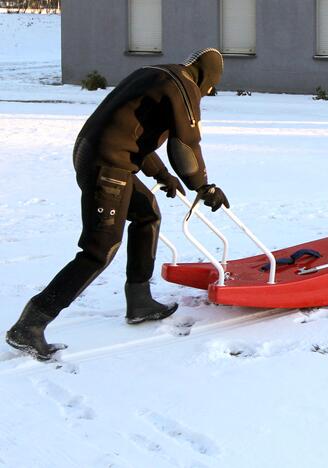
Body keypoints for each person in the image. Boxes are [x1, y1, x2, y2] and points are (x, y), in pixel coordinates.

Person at [5, 48, 231, 361]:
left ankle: (139, 300)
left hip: (100, 156)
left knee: (146, 213)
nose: (206, 94)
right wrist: (204, 186)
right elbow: (185, 147)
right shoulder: (184, 88)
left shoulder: (159, 73)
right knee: (99, 250)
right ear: (208, 79)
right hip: (107, 167)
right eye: (209, 89)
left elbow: (131, 131)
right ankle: (31, 323)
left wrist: (162, 174)